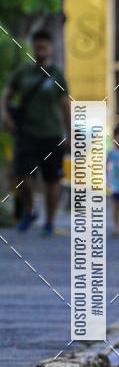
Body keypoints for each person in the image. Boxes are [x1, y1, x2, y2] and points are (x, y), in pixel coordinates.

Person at [1, 30, 70, 235]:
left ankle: (49, 222)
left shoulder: (57, 74)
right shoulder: (22, 73)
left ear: (49, 48)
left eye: (45, 46)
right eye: (38, 46)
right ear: (33, 47)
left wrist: (70, 134)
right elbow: (6, 95)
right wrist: (5, 116)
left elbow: (65, 105)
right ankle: (30, 210)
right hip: (27, 133)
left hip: (51, 134)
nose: (41, 49)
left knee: (52, 179)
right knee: (21, 175)